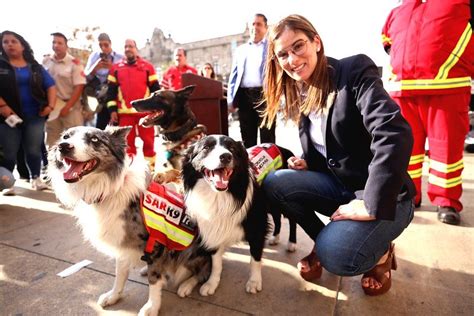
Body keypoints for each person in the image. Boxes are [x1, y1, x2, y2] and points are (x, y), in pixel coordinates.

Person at [260, 14, 416, 296]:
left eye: (298, 46)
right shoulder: (300, 90)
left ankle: (379, 254)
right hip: (341, 186)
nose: (292, 59)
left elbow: (393, 132)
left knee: (339, 257)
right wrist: (310, 161)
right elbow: (334, 145)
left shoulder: (353, 71)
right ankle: (325, 244)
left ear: (316, 42)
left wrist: (370, 203)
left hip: (383, 194)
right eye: (282, 54)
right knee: (275, 183)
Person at [382, 0, 473, 225]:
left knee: (446, 150)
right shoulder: (398, 10)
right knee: (405, 150)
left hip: (448, 88)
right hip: (403, 91)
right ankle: (409, 195)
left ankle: (447, 201)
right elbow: (387, 40)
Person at [0, 30, 56, 193]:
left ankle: (35, 179)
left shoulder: (35, 67)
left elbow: (50, 85)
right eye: (5, 42)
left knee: (33, 149)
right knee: (9, 152)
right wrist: (3, 107)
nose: (9, 44)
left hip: (35, 116)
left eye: (13, 41)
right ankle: (6, 183)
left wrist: (50, 106)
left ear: (22, 45)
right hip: (7, 117)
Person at [106, 39, 160, 167]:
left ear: (136, 49)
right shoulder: (115, 68)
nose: (128, 49)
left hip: (145, 113)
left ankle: (150, 171)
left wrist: (157, 108)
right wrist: (112, 111)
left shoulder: (148, 67)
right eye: (126, 46)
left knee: (149, 143)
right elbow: (111, 92)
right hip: (124, 114)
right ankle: (131, 173)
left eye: (131, 46)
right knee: (127, 146)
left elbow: (155, 89)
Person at [227, 13, 275, 148]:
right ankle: (249, 166)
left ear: (266, 28)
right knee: (247, 137)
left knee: (268, 137)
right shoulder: (240, 50)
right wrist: (231, 99)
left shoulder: (272, 48)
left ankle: (271, 168)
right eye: (252, 24)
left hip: (266, 96)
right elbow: (234, 76)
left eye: (259, 24)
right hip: (244, 97)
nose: (255, 27)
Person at [43, 32, 86, 148]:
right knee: (52, 140)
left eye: (59, 43)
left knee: (76, 140)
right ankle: (52, 165)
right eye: (54, 42)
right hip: (52, 107)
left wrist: (68, 107)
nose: (56, 45)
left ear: (66, 45)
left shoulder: (75, 63)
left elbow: (79, 86)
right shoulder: (46, 61)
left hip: (70, 106)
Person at [84, 33, 123, 130]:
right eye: (100, 45)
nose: (103, 48)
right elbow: (85, 78)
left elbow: (125, 78)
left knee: (117, 129)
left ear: (110, 43)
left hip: (116, 97)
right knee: (100, 128)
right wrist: (95, 68)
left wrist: (112, 68)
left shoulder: (120, 57)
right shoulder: (94, 57)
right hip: (100, 99)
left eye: (106, 45)